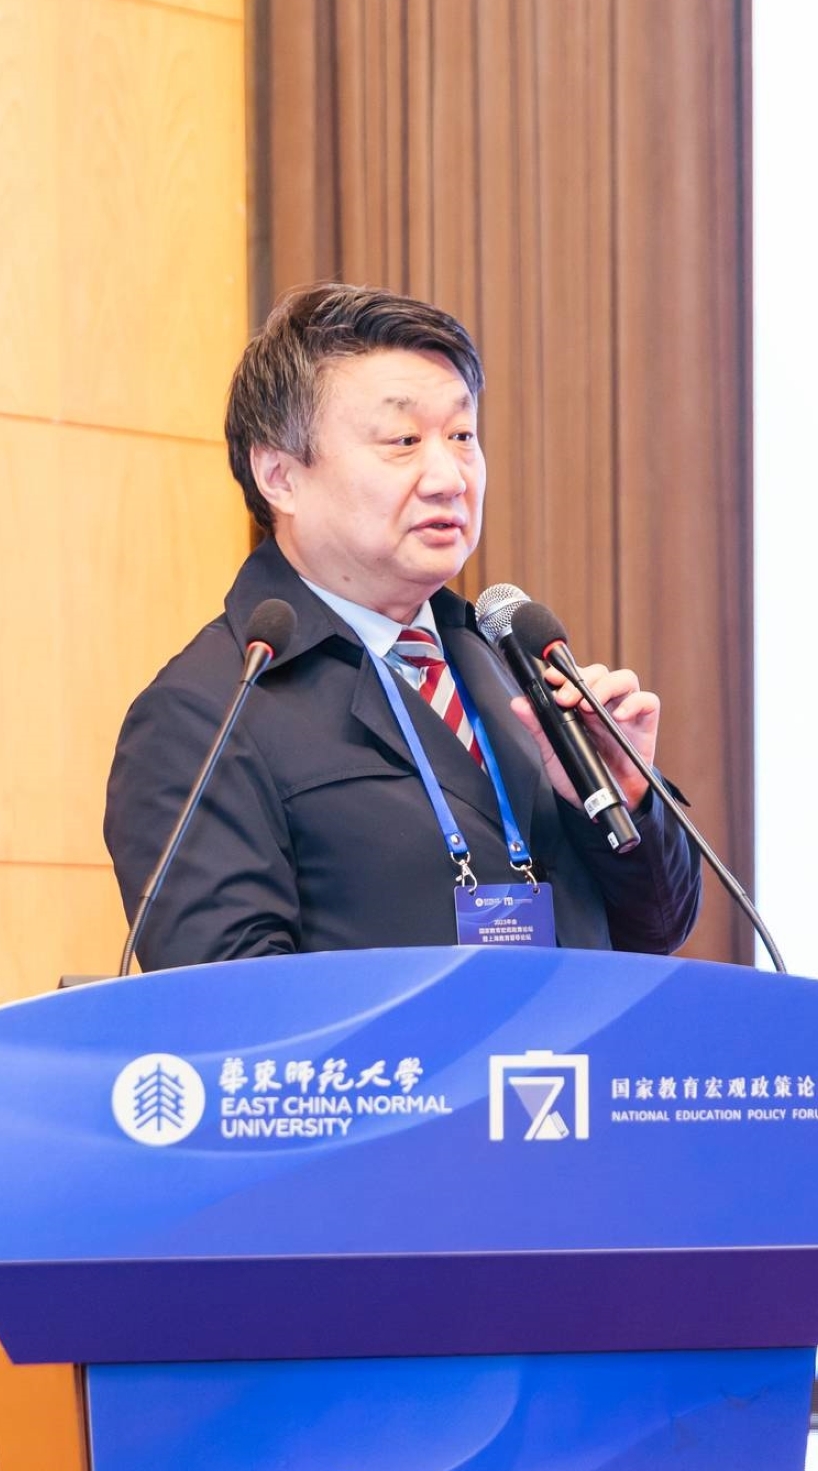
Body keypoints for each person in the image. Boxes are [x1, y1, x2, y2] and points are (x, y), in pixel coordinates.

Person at [104, 283, 702, 966]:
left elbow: (657, 929)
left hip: (575, 1039)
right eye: (404, 440)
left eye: (462, 436)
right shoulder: (204, 713)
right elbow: (231, 1000)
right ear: (279, 476)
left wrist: (625, 795)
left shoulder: (507, 658)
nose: (449, 477)